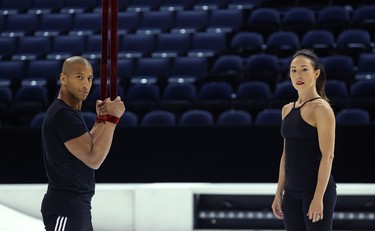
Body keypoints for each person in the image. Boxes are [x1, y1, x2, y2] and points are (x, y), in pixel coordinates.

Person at [40, 56, 125, 231]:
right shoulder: (63, 115)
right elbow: (94, 159)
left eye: (89, 78)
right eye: (79, 77)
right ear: (63, 78)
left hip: (77, 205)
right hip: (66, 207)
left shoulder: (68, 112)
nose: (86, 84)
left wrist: (102, 120)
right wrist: (113, 120)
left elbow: (88, 145)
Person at [271, 49, 337, 231]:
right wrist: (279, 193)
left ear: (316, 73)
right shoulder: (286, 109)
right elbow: (286, 155)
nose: (298, 75)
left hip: (315, 190)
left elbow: (328, 156)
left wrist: (318, 198)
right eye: (293, 70)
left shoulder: (321, 109)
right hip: (291, 192)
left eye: (303, 69)